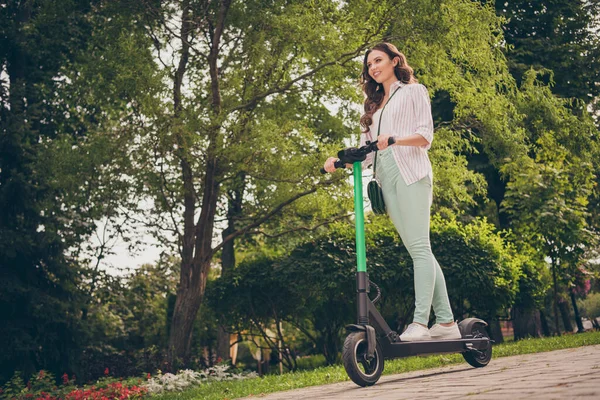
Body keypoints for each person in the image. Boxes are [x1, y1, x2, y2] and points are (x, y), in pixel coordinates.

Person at [323, 43, 460, 341]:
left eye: (378, 60)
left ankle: (421, 323)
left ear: (394, 61)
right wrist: (341, 161)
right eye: (369, 64)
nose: (373, 67)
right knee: (418, 249)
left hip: (411, 173)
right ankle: (447, 323)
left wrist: (394, 139)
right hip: (385, 179)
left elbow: (426, 135)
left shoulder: (413, 91)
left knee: (420, 248)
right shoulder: (371, 105)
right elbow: (368, 153)